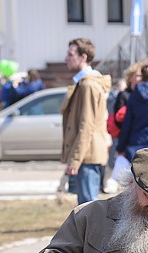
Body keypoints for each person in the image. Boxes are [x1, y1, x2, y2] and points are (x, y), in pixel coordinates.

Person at [61, 38, 112, 205]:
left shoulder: (88, 85)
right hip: (86, 155)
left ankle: (96, 233)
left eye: (70, 54)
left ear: (83, 57)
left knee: (88, 209)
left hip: (88, 155)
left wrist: (75, 159)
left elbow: (86, 126)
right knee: (85, 209)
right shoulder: (83, 83)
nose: (66, 59)